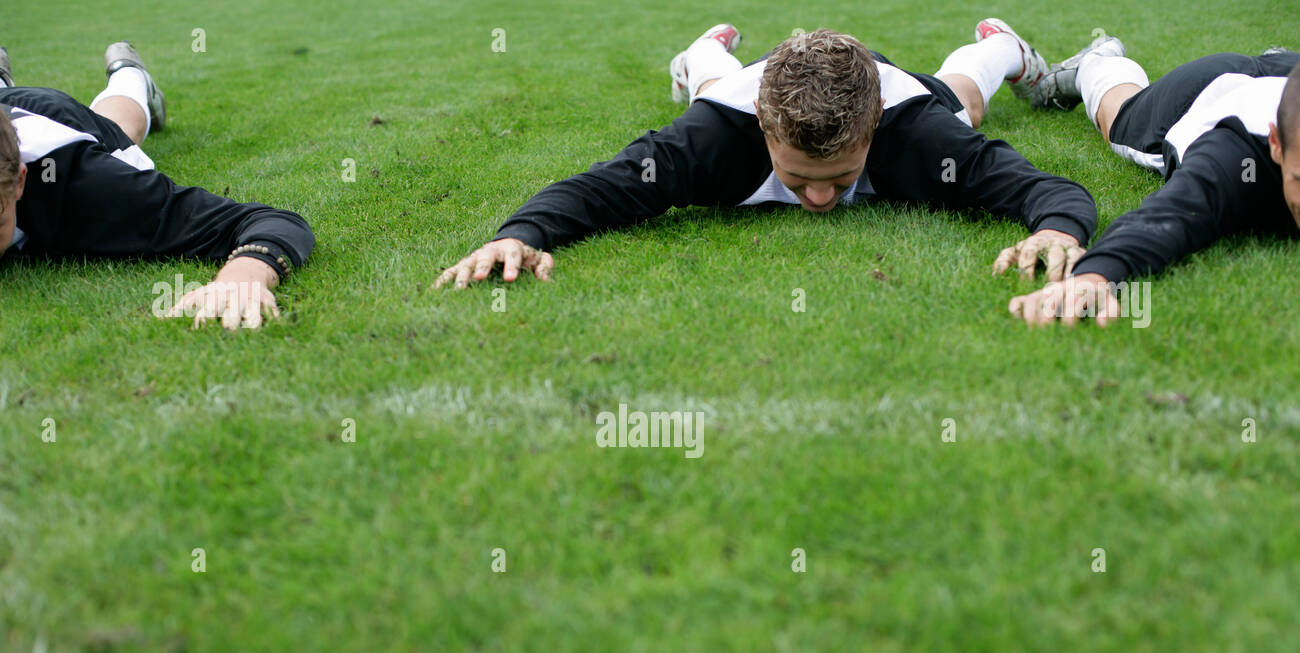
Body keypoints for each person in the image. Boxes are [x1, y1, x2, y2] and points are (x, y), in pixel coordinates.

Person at [436, 20, 1098, 290]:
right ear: (762, 131)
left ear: (872, 133)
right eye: (799, 178)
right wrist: (519, 236)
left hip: (882, 82)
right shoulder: (711, 139)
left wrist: (1057, 229)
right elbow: (593, 192)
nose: (817, 200)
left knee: (963, 101)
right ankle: (704, 52)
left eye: (839, 178)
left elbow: (1049, 191)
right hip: (742, 89)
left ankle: (1004, 47)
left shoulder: (917, 134)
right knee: (714, 88)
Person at [0, 41, 315, 330]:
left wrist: (244, 274)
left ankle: (130, 77)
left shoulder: (85, 183)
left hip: (57, 120)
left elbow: (269, 221)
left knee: (118, 129)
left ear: (20, 183)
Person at [1007, 38, 1300, 326]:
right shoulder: (1235, 159)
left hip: (1288, 72)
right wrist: (1094, 276)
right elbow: (1173, 214)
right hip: (1202, 88)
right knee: (1121, 118)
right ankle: (1097, 63)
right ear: (1276, 144)